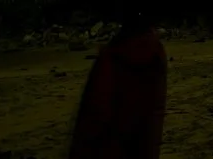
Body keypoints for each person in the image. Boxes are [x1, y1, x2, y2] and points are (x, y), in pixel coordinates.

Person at [69, 9, 166, 159]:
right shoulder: (156, 51)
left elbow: (97, 108)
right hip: (142, 140)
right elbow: (156, 106)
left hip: (113, 142)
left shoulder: (112, 57)